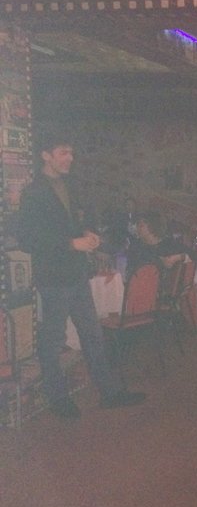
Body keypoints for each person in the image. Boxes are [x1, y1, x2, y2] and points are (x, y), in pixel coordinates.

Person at [17, 131, 146, 419]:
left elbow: (75, 224)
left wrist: (88, 234)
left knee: (93, 335)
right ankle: (58, 399)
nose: (70, 158)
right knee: (53, 340)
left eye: (71, 153)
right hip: (54, 277)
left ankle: (110, 393)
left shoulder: (69, 185)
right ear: (46, 155)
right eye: (63, 152)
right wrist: (70, 243)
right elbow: (27, 238)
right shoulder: (33, 192)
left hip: (76, 274)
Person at [126, 210, 196, 279]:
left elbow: (195, 255)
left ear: (152, 227)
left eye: (141, 225)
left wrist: (177, 257)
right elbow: (130, 270)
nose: (137, 228)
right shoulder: (136, 245)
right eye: (137, 225)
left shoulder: (168, 243)